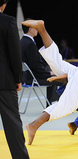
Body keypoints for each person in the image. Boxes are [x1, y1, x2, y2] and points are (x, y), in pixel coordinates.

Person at [0, 0, 29, 158]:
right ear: (3, 5)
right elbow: (15, 54)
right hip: (4, 82)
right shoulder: (8, 21)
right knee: (12, 124)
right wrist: (18, 78)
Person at [21, 18, 62, 106]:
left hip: (26, 75)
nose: (37, 30)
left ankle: (50, 104)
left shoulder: (22, 41)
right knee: (61, 79)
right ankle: (60, 104)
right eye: (36, 27)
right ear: (30, 29)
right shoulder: (29, 44)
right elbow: (35, 65)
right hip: (34, 77)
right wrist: (49, 73)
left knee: (54, 75)